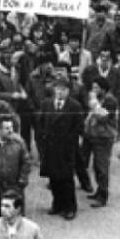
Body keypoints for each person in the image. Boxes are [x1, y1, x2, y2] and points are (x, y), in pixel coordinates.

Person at [37, 78, 82, 220]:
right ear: (54, 89)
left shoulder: (75, 106)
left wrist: (70, 142)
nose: (60, 92)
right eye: (58, 89)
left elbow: (78, 127)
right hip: (50, 148)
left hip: (66, 148)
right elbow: (41, 123)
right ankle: (57, 204)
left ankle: (70, 207)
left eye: (63, 89)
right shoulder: (46, 104)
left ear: (68, 91)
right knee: (53, 178)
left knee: (67, 179)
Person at [84, 86, 119, 207]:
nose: (93, 89)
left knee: (102, 167)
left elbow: (104, 117)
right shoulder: (102, 98)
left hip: (104, 137)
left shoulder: (110, 100)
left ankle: (103, 196)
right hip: (97, 136)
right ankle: (99, 191)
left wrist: (94, 104)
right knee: (96, 166)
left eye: (96, 87)